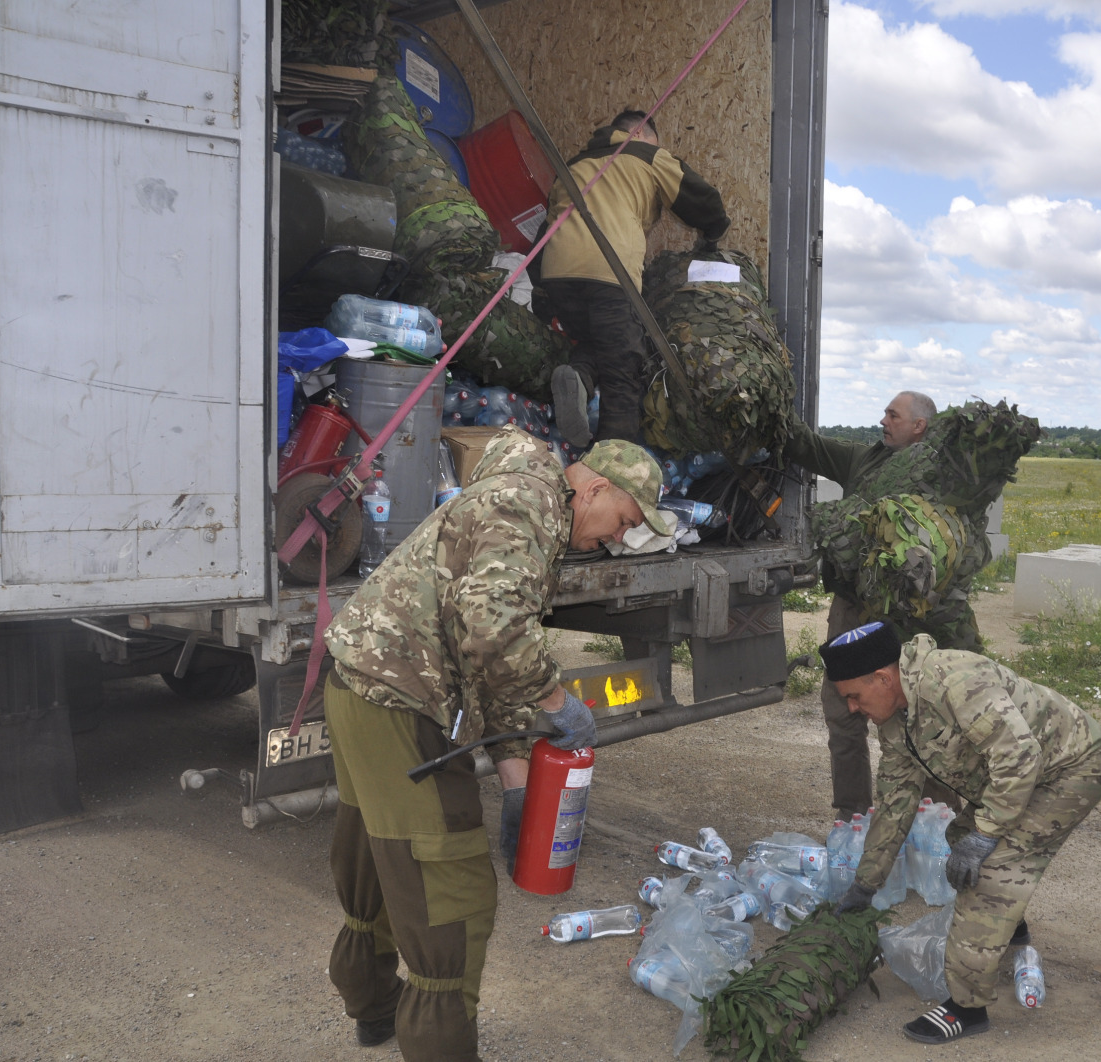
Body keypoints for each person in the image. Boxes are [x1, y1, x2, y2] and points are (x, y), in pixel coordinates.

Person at [320, 430, 666, 1061]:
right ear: (596, 489)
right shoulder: (528, 506)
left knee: (374, 859)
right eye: (625, 520)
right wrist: (559, 703)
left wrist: (515, 785)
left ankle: (373, 1008)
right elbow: (493, 625)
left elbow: (483, 654)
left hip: (361, 685)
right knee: (452, 902)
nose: (619, 537)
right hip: (399, 702)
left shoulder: (515, 496)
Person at [821, 622, 1101, 1045]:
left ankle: (966, 1008)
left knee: (988, 872)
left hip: (1068, 771)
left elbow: (1019, 757)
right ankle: (1010, 925)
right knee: (960, 837)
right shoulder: (895, 720)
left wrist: (987, 835)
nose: (851, 708)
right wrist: (865, 884)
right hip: (1020, 777)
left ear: (883, 679)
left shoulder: (955, 681)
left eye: (854, 696)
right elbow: (896, 805)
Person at [784, 391, 985, 821]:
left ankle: (938, 819)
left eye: (893, 415)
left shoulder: (948, 476)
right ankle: (852, 813)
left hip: (915, 618)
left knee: (923, 713)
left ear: (920, 426)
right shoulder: (864, 460)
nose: (883, 421)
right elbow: (808, 446)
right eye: (885, 413)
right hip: (853, 608)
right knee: (843, 708)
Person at [539, 109, 731, 446]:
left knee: (594, 344)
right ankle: (610, 471)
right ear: (639, 133)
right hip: (609, 272)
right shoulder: (645, 154)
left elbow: (547, 223)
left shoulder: (573, 165)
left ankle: (579, 377)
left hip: (557, 272)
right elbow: (698, 196)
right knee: (623, 374)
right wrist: (714, 233)